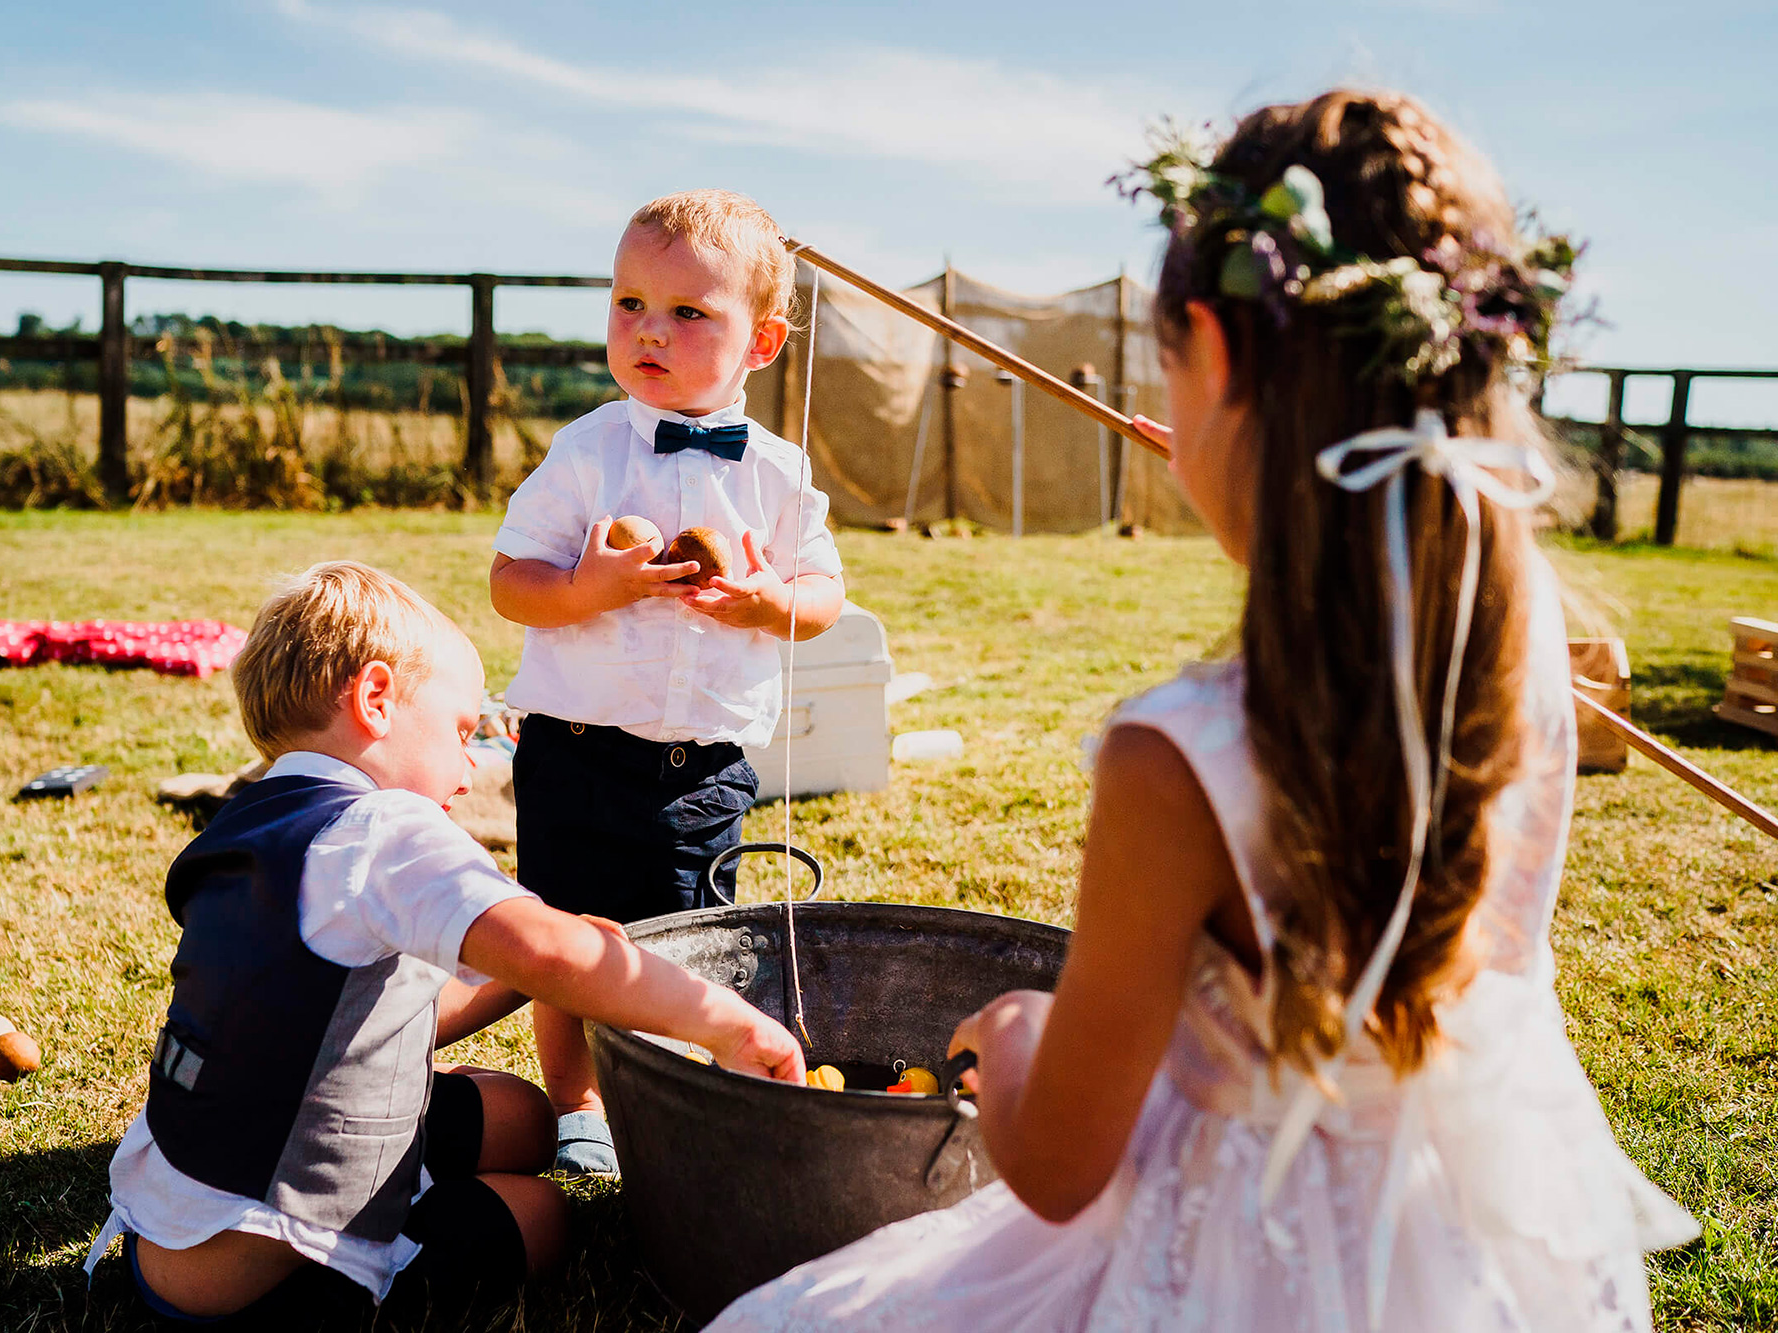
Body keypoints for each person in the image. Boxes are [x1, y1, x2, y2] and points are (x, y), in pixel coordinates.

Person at [708, 89, 1697, 1332]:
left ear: (1214, 358)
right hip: (1458, 1251)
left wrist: (1015, 1040)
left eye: (1170, 369)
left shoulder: (1179, 755)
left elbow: (1062, 1165)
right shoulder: (1511, 649)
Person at [83, 561, 803, 1327]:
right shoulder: (384, 828)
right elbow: (553, 953)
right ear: (376, 699)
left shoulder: (247, 825)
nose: (470, 767)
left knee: (523, 1116)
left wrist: (522, 979)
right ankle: (378, 1271)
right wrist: (730, 1020)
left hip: (160, 1226)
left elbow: (343, 1012)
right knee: (542, 1213)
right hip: (281, 1273)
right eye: (464, 732)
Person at [490, 189, 846, 1176]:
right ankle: (577, 1105)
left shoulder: (775, 471)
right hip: (570, 749)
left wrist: (768, 598)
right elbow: (510, 585)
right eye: (628, 303)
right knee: (564, 941)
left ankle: (671, 1096)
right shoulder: (586, 451)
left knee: (680, 941)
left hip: (702, 766)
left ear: (761, 343)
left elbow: (823, 594)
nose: (649, 329)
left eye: (688, 313)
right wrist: (586, 587)